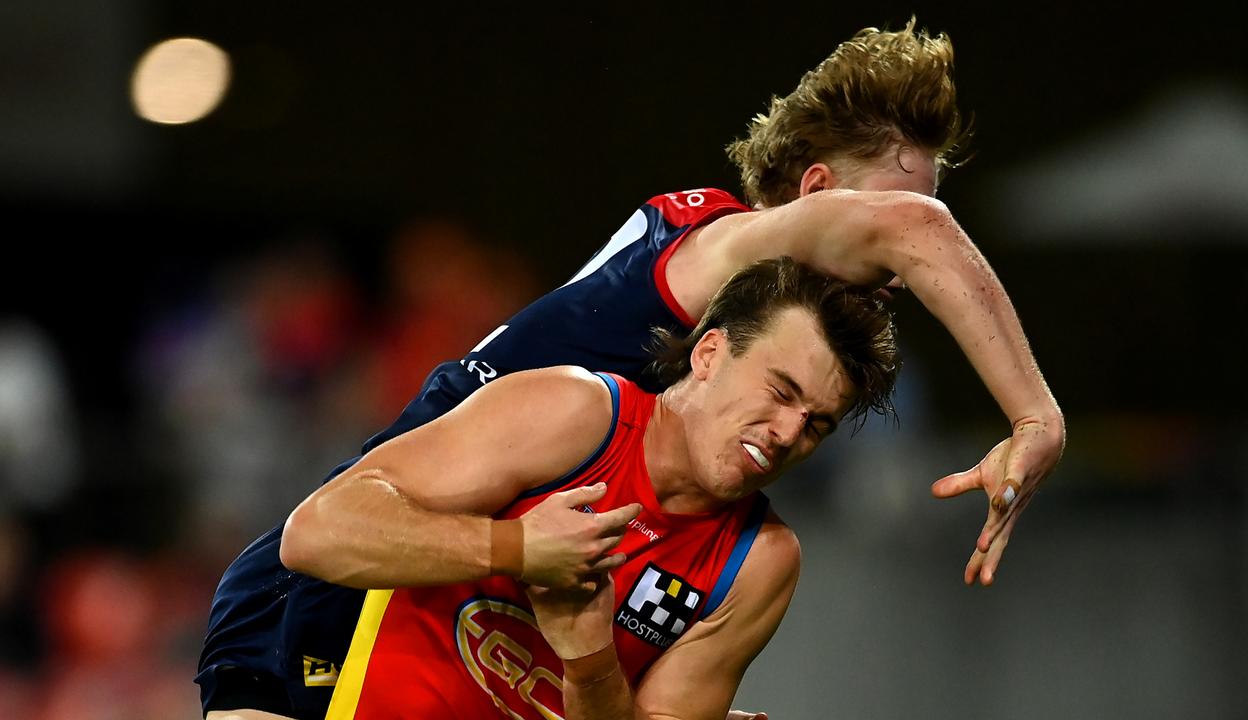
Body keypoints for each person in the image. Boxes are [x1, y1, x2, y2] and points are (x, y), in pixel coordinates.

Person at [198, 18, 1066, 720]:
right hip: (345, 583)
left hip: (414, 588)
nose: (902, 281)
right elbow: (919, 232)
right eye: (889, 226)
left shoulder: (719, 322)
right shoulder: (719, 255)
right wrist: (1035, 418)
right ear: (814, 195)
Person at [281, 257, 899, 719]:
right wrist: (517, 548)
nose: (790, 431)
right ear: (710, 353)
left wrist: (590, 658)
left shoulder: (758, 562)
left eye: (817, 423)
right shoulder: (573, 413)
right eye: (781, 391)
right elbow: (315, 534)